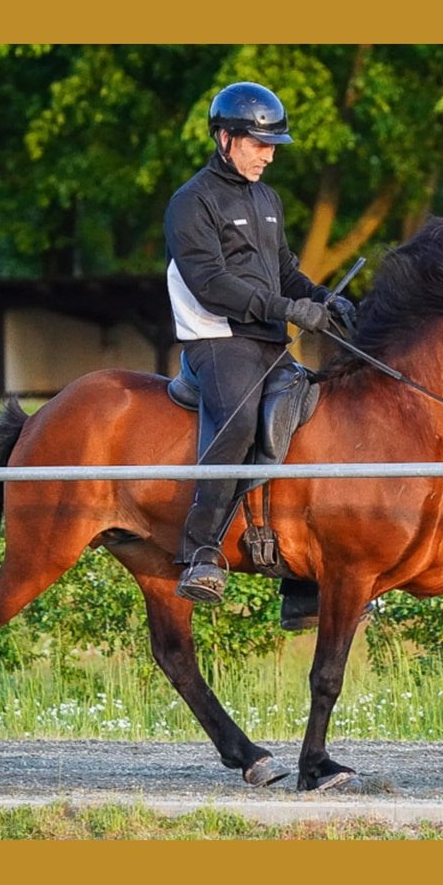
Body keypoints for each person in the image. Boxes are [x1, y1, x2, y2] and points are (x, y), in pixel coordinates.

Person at [165, 81, 355, 605]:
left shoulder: (266, 197)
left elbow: (283, 271)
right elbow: (212, 285)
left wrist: (321, 297)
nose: (269, 155)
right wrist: (286, 309)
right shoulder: (191, 203)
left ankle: (300, 575)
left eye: (273, 146)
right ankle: (202, 551)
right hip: (218, 340)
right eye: (259, 143)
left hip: (268, 341)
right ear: (225, 137)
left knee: (314, 417)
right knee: (241, 420)